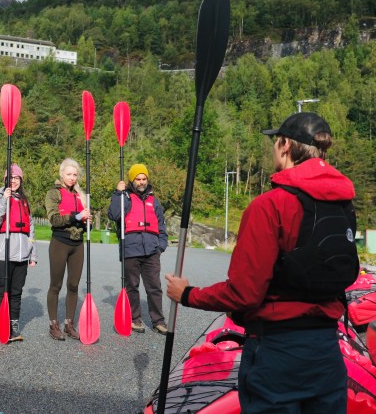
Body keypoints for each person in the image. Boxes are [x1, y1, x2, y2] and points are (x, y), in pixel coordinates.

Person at [165, 112, 357, 413]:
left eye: (274, 142)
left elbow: (245, 293)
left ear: (284, 145)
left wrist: (188, 295)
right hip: (328, 354)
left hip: (277, 355)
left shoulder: (268, 206)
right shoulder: (345, 206)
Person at [108, 163, 169, 334]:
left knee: (154, 287)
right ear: (132, 180)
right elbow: (114, 215)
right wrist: (117, 193)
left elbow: (162, 224)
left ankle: (158, 321)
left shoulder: (153, 200)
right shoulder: (124, 197)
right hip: (131, 249)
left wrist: (161, 246)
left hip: (151, 251)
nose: (141, 182)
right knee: (132, 286)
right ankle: (135, 319)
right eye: (138, 179)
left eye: (144, 179)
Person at [0, 163, 37, 342]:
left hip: (21, 253)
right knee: (1, 290)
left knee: (16, 291)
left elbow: (31, 228)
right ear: (5, 180)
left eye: (17, 178)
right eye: (11, 178)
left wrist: (33, 254)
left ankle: (13, 323)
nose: (14, 181)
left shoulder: (24, 200)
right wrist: (3, 201)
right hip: (3, 252)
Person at [44, 158, 91, 341]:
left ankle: (69, 324)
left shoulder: (81, 195)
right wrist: (77, 216)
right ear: (61, 174)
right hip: (60, 243)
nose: (72, 177)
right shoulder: (53, 193)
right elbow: (54, 219)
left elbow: (86, 225)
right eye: (68, 174)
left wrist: (87, 222)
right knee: (55, 285)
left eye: (75, 174)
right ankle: (53, 325)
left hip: (77, 244)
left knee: (73, 285)